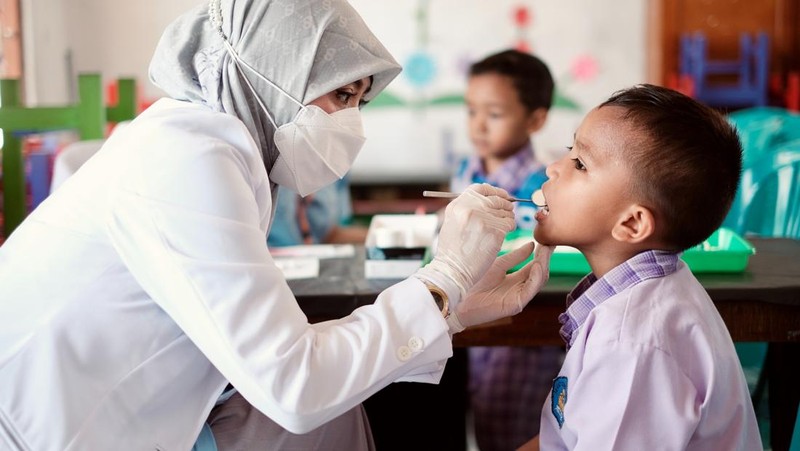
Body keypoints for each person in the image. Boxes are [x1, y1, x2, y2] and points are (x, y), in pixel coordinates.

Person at [0, 1, 557, 450]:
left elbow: (285, 364)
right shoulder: (189, 156)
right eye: (342, 94)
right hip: (41, 425)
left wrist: (450, 306)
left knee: (336, 412)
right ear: (273, 72)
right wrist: (445, 280)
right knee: (322, 415)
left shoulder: (220, 150)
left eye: (359, 101)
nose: (351, 121)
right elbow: (295, 385)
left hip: (122, 405)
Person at [517, 84, 762, 450]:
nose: (552, 169)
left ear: (632, 224)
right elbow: (563, 436)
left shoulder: (633, 345)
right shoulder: (647, 297)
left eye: (580, 164)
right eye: (571, 151)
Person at [450, 48, 565, 451]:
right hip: (469, 312)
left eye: (494, 114)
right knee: (479, 416)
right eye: (471, 111)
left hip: (518, 323)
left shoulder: (541, 187)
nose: (478, 125)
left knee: (514, 424)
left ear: (535, 120)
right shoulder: (466, 171)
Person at [268, 177, 367, 247]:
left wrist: (373, 236)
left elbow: (333, 234)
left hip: (316, 259)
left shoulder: (338, 167)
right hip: (270, 257)